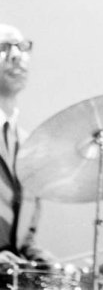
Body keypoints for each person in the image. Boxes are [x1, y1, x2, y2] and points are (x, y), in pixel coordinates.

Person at [0, 24, 53, 268]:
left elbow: (22, 239)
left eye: (22, 47)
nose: (16, 55)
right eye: (3, 47)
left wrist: (43, 262)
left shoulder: (29, 147)